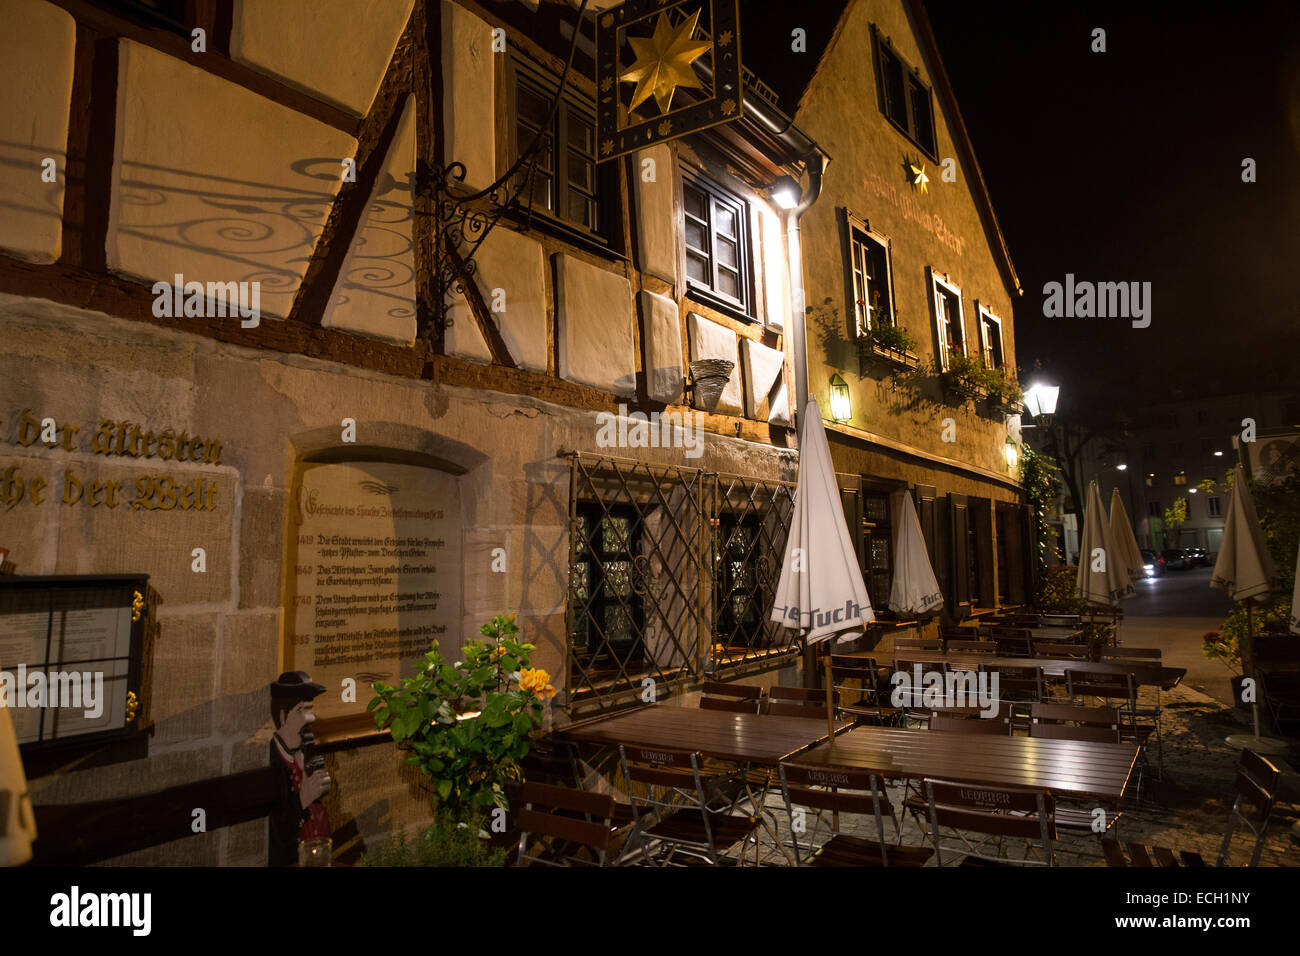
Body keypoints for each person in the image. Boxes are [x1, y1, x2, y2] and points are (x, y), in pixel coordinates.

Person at [269, 671, 331, 866]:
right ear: (282, 716)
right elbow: (276, 828)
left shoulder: (304, 753)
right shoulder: (273, 760)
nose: (310, 718)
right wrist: (302, 800)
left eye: (310, 709)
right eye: (301, 710)